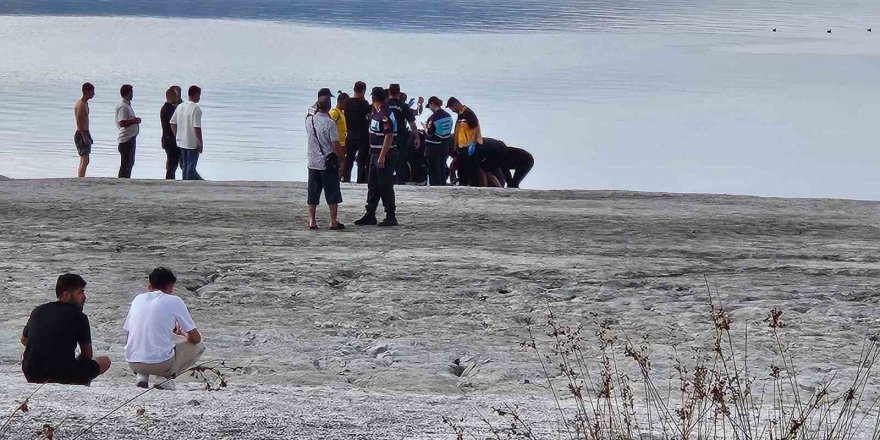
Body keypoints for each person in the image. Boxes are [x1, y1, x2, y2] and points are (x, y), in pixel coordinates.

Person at [20, 274, 112, 385]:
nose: (84, 297)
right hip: (63, 375)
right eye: (80, 292)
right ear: (66, 295)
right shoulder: (79, 316)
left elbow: (24, 340)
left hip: (31, 373)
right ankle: (82, 382)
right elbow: (87, 354)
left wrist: (45, 349)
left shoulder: (38, 311)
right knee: (105, 361)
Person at [123, 267, 204, 390]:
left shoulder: (138, 299)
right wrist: (182, 333)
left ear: (149, 286)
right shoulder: (174, 301)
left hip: (133, 362)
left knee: (157, 339)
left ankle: (142, 376)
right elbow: (196, 338)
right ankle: (165, 378)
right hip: (160, 364)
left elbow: (128, 333)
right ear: (170, 287)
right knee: (199, 346)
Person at [354, 87, 399, 227]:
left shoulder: (384, 114)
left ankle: (391, 215)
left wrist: (382, 156)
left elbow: (389, 135)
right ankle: (370, 214)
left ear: (373, 98)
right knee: (372, 185)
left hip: (383, 154)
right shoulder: (376, 112)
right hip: (374, 154)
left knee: (385, 185)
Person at [306, 94, 345, 230]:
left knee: (313, 193)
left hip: (312, 162)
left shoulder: (309, 121)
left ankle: (312, 221)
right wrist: (341, 160)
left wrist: (316, 103)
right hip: (327, 163)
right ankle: (333, 221)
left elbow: (309, 111)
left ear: (317, 106)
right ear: (329, 107)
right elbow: (335, 145)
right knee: (332, 193)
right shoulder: (330, 123)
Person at [386, 84, 419, 184]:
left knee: (387, 159)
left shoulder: (384, 105)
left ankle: (387, 181)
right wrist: (417, 137)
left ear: (389, 92)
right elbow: (412, 123)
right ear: (399, 93)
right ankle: (400, 182)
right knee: (401, 161)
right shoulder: (403, 106)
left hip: (386, 136)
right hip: (401, 136)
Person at [447, 97, 482, 186]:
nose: (452, 110)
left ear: (455, 105)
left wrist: (473, 143)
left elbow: (476, 128)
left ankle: (475, 185)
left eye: (451, 108)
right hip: (461, 147)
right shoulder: (460, 114)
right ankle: (463, 184)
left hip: (469, 146)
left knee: (471, 168)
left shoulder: (468, 113)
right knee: (462, 169)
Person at [171, 86, 204, 181]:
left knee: (185, 165)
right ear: (196, 94)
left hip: (181, 141)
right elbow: (197, 127)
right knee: (191, 166)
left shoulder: (180, 106)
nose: (199, 97)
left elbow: (172, 122)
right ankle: (189, 184)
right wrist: (199, 142)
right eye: (199, 95)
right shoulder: (196, 108)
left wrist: (177, 135)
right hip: (192, 142)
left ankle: (184, 182)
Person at [343, 81, 372, 184]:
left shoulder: (346, 103)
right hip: (362, 135)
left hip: (350, 133)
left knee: (349, 159)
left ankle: (346, 179)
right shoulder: (364, 103)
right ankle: (360, 180)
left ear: (354, 89)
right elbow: (370, 116)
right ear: (363, 90)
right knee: (361, 160)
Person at [423, 96, 454, 186]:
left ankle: (435, 186)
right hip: (445, 145)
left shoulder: (433, 118)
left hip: (433, 146)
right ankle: (443, 184)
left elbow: (429, 132)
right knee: (442, 166)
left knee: (433, 168)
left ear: (432, 104)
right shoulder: (448, 116)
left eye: (430, 106)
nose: (430, 109)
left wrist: (425, 127)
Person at [115, 84, 142, 179]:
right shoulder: (123, 106)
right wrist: (135, 120)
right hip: (126, 139)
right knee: (126, 163)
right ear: (128, 93)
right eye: (131, 92)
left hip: (130, 138)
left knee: (130, 162)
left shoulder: (127, 105)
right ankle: (122, 181)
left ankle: (126, 179)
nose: (132, 94)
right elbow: (122, 122)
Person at [74, 83, 94, 178]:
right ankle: (80, 178)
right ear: (86, 92)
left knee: (85, 159)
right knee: (84, 159)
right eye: (92, 92)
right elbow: (79, 122)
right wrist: (84, 137)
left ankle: (81, 177)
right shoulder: (81, 105)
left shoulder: (85, 103)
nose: (93, 94)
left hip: (85, 132)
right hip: (81, 133)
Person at [160, 87, 181, 179]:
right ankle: (170, 178)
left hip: (167, 138)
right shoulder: (169, 109)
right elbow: (174, 122)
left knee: (172, 161)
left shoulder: (165, 108)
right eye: (177, 97)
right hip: (170, 139)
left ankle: (170, 177)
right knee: (172, 162)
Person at [329, 92, 348, 180]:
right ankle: (336, 179)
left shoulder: (342, 113)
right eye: (346, 103)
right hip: (337, 143)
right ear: (341, 102)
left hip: (342, 142)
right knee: (340, 163)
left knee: (342, 163)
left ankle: (338, 178)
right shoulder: (335, 112)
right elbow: (329, 125)